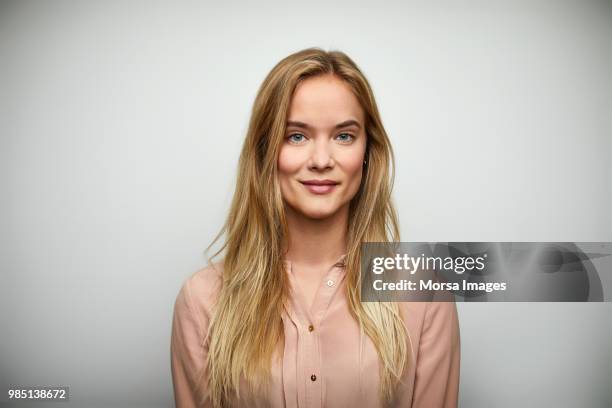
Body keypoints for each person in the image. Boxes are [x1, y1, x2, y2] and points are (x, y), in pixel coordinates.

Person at [170, 48, 460, 408]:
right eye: (296, 136)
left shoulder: (424, 293)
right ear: (264, 151)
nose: (322, 161)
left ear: (368, 152)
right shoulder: (202, 300)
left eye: (344, 136)